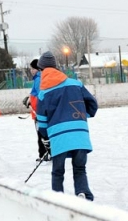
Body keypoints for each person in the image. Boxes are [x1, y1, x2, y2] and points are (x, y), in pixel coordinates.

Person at [36, 51, 99, 200]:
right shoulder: (75, 84)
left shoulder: (43, 93)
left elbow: (42, 120)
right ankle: (82, 193)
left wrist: (45, 136)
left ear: (42, 70)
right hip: (80, 133)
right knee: (80, 168)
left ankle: (58, 200)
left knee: (57, 171)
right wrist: (82, 115)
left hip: (58, 136)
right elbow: (93, 104)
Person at [23, 59, 50, 161]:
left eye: (32, 68)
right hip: (37, 111)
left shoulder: (39, 78)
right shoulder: (37, 79)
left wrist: (30, 102)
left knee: (41, 133)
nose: (31, 70)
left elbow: (40, 95)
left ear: (37, 69)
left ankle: (44, 154)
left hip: (39, 112)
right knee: (41, 133)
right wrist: (29, 99)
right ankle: (45, 153)